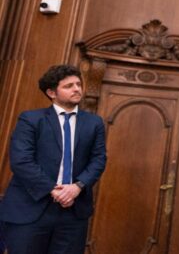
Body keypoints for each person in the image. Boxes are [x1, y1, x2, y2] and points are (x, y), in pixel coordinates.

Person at [0, 64, 107, 254]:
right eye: (68, 86)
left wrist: (77, 187)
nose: (77, 89)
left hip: (73, 213)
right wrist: (53, 189)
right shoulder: (31, 119)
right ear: (51, 92)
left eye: (78, 84)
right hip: (30, 208)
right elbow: (21, 160)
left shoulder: (94, 123)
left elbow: (98, 160)